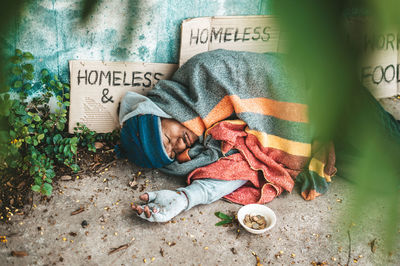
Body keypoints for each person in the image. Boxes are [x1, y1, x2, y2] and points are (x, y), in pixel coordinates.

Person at [116, 49, 400, 223]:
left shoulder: (202, 72)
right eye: (170, 153)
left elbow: (273, 74)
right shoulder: (211, 138)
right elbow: (242, 167)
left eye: (167, 137)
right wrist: (184, 198)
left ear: (160, 111)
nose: (178, 146)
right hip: (319, 142)